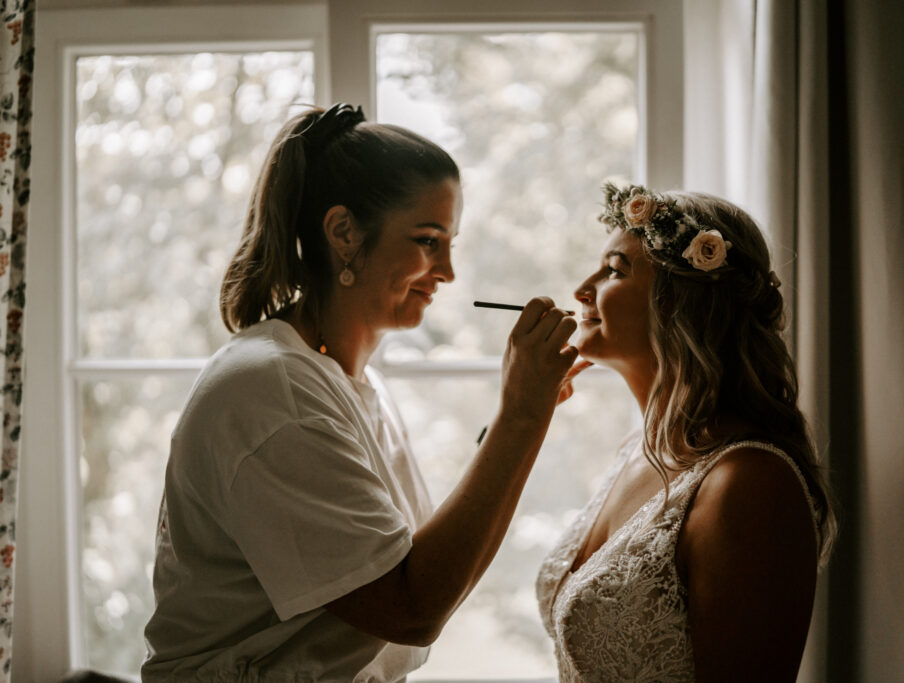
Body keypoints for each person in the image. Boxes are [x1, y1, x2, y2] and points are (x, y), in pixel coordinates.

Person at [142, 103, 584, 682]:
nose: (447, 271)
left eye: (449, 242)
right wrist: (519, 419)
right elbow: (410, 609)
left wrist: (521, 413)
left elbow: (414, 561)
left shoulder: (346, 378)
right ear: (344, 233)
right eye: (428, 240)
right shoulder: (275, 395)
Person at [536, 183, 837, 682]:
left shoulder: (748, 482)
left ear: (682, 302)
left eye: (613, 270)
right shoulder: (636, 451)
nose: (582, 288)